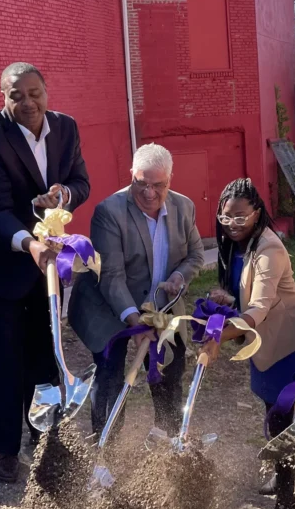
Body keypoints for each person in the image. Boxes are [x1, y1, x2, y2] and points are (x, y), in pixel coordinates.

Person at [0, 62, 90, 483]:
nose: (28, 102)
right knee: (1, 363)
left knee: (44, 353)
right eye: (17, 95)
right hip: (0, 265)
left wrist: (63, 194)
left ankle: (44, 438)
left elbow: (80, 181)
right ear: (4, 96)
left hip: (45, 268)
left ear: (46, 92)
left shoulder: (66, 128)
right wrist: (30, 244)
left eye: (35, 93)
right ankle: (3, 449)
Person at [201, 179, 295, 509]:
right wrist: (222, 305)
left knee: (281, 422)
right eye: (226, 217)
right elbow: (242, 295)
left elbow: (260, 308)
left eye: (241, 216)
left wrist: (219, 335)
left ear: (256, 213)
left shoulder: (270, 248)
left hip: (287, 341)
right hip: (262, 341)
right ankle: (282, 478)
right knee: (271, 416)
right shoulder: (236, 244)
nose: (233, 223)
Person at [69, 143, 203, 437]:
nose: (149, 193)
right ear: (132, 175)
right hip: (109, 305)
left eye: (159, 185)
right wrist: (134, 323)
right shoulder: (109, 212)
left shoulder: (184, 207)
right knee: (111, 375)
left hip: (159, 305)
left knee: (168, 371)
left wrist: (179, 276)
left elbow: (195, 255)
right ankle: (106, 452)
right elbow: (112, 277)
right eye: (141, 183)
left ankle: (165, 439)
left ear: (170, 179)